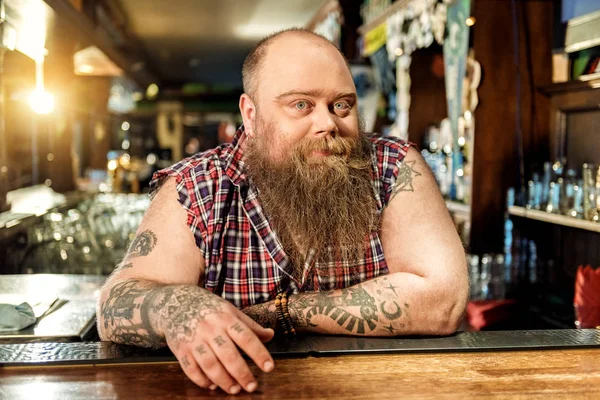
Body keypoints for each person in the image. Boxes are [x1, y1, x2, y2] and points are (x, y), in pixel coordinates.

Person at [97, 28, 469, 395]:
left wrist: (279, 313)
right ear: (251, 115)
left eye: (341, 105)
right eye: (301, 105)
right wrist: (177, 307)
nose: (327, 124)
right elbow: (115, 304)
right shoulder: (198, 187)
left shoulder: (394, 167)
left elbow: (442, 300)